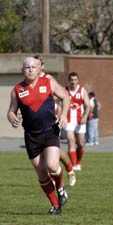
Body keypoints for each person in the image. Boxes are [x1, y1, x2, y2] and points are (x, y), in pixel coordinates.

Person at [7, 57, 70, 215]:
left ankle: (61, 189)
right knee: (41, 173)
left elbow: (65, 97)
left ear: (39, 69)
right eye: (26, 67)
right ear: (22, 70)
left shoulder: (48, 82)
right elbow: (11, 111)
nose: (30, 69)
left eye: (33, 67)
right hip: (31, 136)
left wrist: (63, 115)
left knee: (52, 165)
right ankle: (55, 205)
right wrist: (12, 117)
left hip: (50, 131)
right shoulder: (17, 90)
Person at [35, 55, 76, 186]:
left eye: (38, 64)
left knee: (53, 151)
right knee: (45, 153)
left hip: (51, 120)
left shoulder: (48, 79)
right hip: (37, 123)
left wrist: (62, 113)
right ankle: (57, 175)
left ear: (42, 66)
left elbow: (64, 95)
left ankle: (69, 170)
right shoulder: (29, 81)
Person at [64, 72, 90, 171]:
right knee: (71, 140)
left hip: (80, 121)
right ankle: (74, 165)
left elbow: (88, 105)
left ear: (78, 81)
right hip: (69, 120)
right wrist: (62, 115)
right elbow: (58, 102)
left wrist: (85, 117)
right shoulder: (65, 91)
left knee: (81, 144)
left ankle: (78, 162)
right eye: (71, 80)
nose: (73, 82)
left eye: (75, 80)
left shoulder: (82, 91)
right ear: (69, 81)